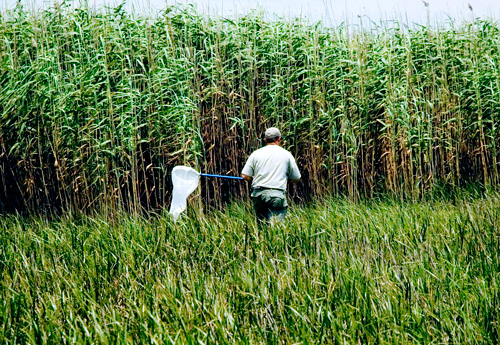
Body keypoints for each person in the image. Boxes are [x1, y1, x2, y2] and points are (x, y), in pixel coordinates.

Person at [241, 127, 301, 224]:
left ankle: (260, 239)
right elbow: (296, 177)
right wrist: (286, 180)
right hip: (276, 194)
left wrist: (253, 180)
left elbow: (245, 175)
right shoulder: (286, 155)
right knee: (276, 229)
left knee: (261, 226)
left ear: (265, 140)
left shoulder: (256, 154)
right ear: (279, 139)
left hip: (258, 195)